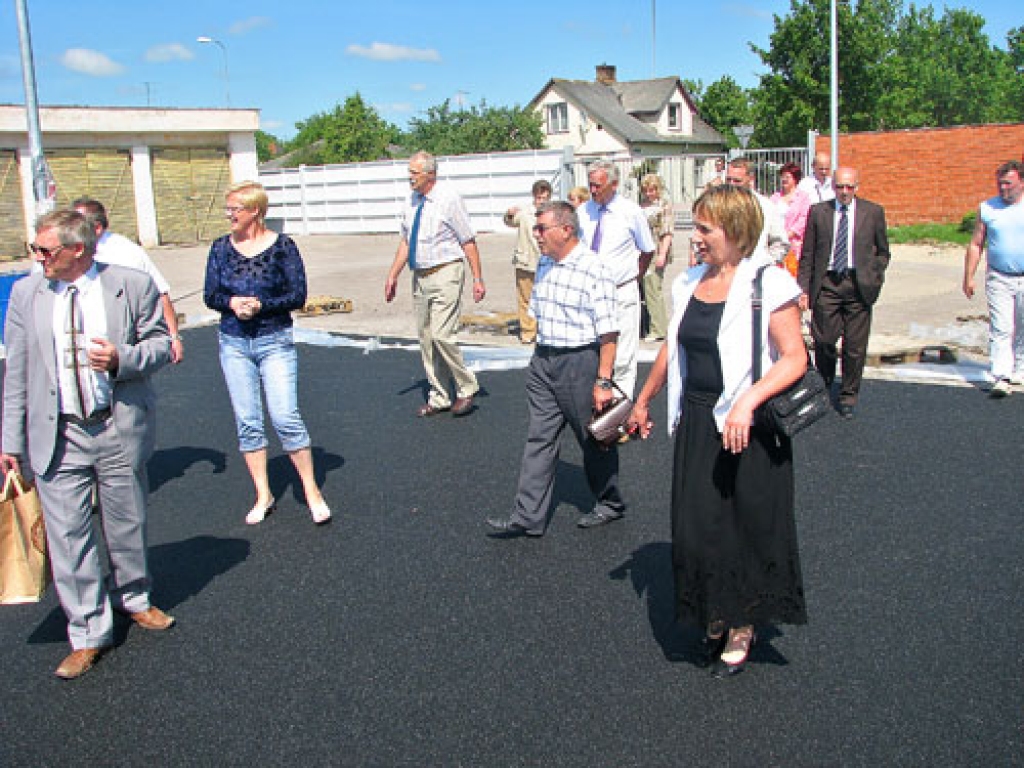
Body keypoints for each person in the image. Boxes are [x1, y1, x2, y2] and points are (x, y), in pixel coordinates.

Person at [628, 184, 808, 678]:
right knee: (696, 527)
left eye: (706, 228)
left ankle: (742, 620)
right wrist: (644, 400)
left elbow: (795, 357)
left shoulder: (767, 283)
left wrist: (748, 402)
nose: (697, 237)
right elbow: (673, 346)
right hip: (697, 421)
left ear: (736, 230)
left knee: (745, 525)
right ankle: (714, 605)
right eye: (697, 226)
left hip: (747, 426)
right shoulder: (686, 282)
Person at [0, 210, 174, 680]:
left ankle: (134, 598)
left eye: (45, 251)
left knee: (126, 522)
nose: (37, 258)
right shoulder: (25, 293)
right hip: (58, 434)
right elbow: (17, 370)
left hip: (116, 427)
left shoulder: (130, 284)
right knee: (68, 538)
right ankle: (87, 631)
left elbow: (162, 345)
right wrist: (10, 441)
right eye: (36, 249)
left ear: (78, 249)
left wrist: (123, 357)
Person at [486, 201, 625, 535]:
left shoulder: (594, 268)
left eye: (541, 228)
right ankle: (527, 516)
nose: (536, 235)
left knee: (594, 438)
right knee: (539, 438)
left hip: (580, 362)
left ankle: (610, 502)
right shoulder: (545, 263)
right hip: (544, 361)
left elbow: (609, 332)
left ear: (566, 229)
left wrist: (603, 380)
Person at [204, 181, 331, 526]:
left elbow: (298, 294)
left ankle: (311, 490)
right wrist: (231, 303)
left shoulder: (283, 247)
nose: (229, 214)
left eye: (235, 209)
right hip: (233, 343)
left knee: (285, 416)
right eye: (228, 209)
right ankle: (263, 493)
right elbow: (210, 294)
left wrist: (261, 305)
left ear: (255, 211)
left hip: (274, 340)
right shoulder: (219, 249)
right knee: (248, 421)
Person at [384, 151, 486, 417]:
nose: (410, 178)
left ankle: (466, 387)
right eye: (409, 172)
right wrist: (393, 274)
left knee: (442, 334)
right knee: (427, 338)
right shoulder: (411, 201)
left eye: (414, 173)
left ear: (430, 174)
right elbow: (406, 241)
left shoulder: (449, 199)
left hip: (447, 272)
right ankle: (439, 395)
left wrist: (477, 278)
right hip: (420, 276)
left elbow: (468, 240)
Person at [798, 167, 891, 419]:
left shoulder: (872, 212)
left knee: (854, 347)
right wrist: (804, 288)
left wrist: (874, 276)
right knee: (825, 341)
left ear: (857, 187)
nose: (845, 192)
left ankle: (849, 395)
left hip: (858, 286)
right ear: (833, 187)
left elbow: (883, 251)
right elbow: (807, 253)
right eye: (840, 186)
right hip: (827, 284)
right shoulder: (819, 213)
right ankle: (825, 383)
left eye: (849, 187)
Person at [72, 197, 184, 364]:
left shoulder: (125, 252)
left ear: (97, 228)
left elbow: (160, 292)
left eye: (76, 225)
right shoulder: (65, 251)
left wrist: (173, 337)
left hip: (121, 341)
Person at [578, 159, 656, 398]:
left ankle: (619, 416)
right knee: (593, 352)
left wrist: (633, 278)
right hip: (590, 293)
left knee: (622, 357)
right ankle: (596, 406)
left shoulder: (631, 212)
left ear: (614, 184)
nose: (593, 191)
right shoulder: (583, 212)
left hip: (621, 291)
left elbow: (647, 250)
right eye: (590, 185)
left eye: (598, 186)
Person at [963, 160, 1024, 397]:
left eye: (1008, 183)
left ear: (1021, 181)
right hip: (999, 276)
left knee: (1022, 327)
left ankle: (1019, 368)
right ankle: (1001, 374)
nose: (1003, 188)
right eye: (1000, 184)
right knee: (1001, 327)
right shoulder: (988, 208)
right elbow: (976, 243)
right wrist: (968, 276)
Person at [503, 180, 552, 343]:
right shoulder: (525, 212)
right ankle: (528, 332)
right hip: (525, 261)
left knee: (546, 298)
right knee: (525, 298)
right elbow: (510, 221)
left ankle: (544, 330)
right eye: (539, 198)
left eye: (545, 197)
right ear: (534, 197)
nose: (542, 201)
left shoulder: (553, 213)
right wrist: (509, 213)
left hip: (547, 262)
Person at [725, 158, 788, 263]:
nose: (732, 185)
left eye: (737, 181)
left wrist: (766, 264)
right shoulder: (716, 205)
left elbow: (780, 243)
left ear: (750, 179)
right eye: (728, 180)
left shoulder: (766, 206)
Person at [640, 173, 674, 342]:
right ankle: (647, 326)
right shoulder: (641, 205)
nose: (649, 193)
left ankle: (658, 328)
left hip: (657, 250)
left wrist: (662, 254)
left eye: (652, 189)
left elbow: (667, 232)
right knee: (644, 290)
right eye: (646, 190)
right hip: (642, 251)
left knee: (654, 289)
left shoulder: (664, 205)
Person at [769, 163, 812, 276]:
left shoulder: (803, 197)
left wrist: (790, 233)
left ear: (795, 179)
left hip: (795, 244)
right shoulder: (775, 197)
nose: (784, 179)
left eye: (787, 177)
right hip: (777, 242)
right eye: (782, 176)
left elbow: (804, 218)